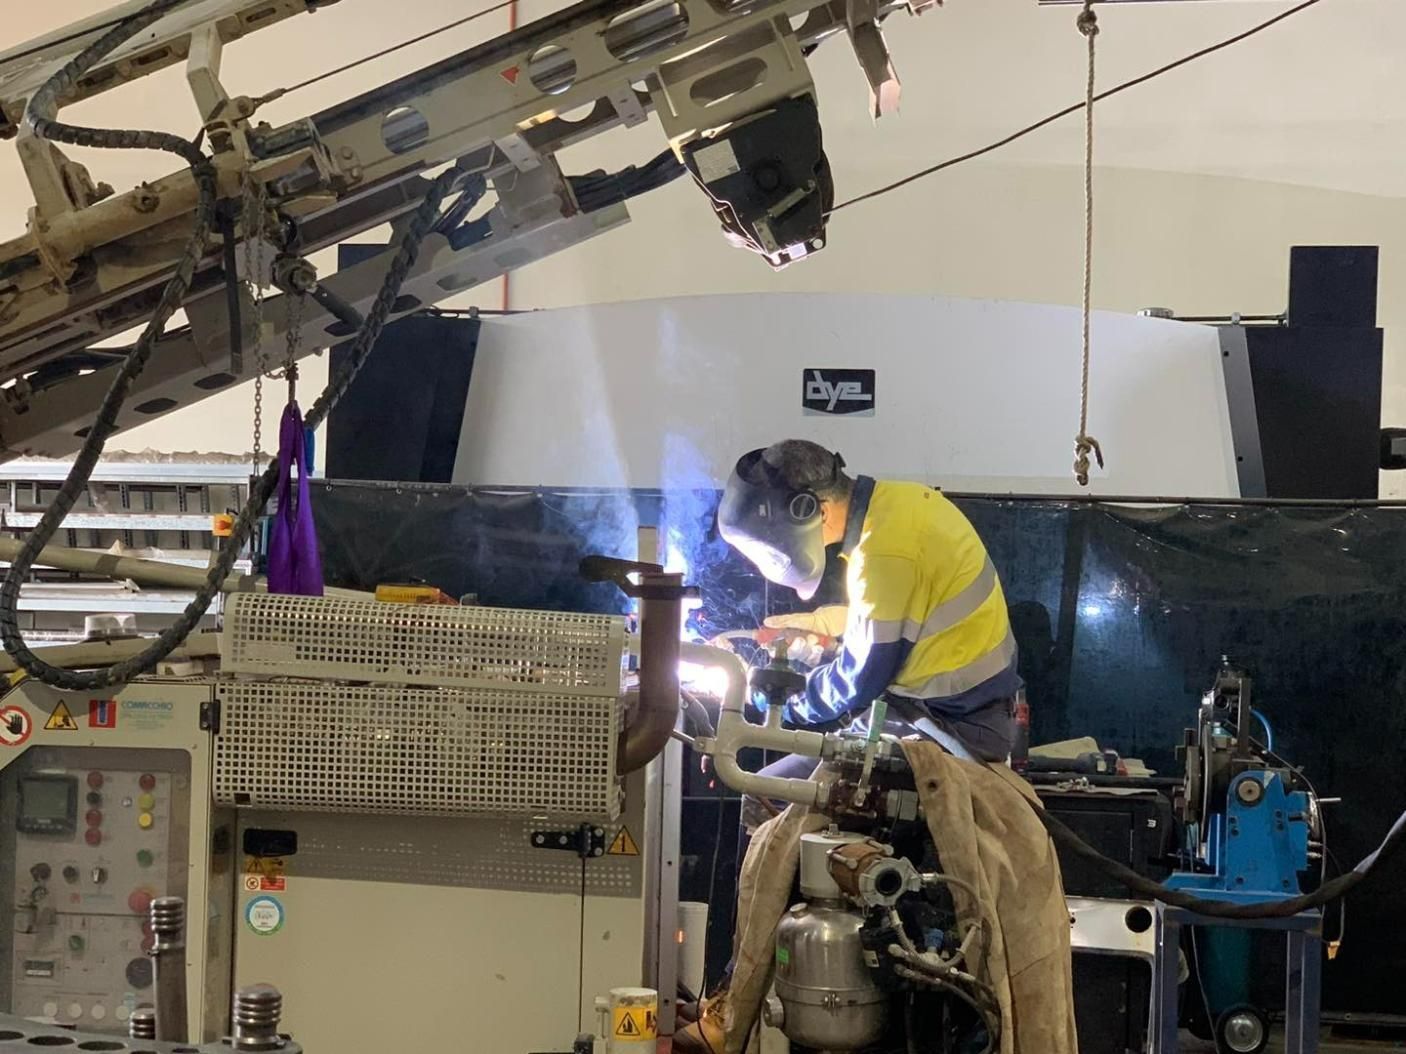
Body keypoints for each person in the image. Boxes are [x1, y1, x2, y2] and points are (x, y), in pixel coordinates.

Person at [716, 439, 1022, 818]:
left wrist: (783, 701)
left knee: (764, 795)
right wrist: (821, 631)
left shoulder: (883, 554)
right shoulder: (898, 506)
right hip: (949, 713)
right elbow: (907, 616)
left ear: (814, 511)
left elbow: (857, 681)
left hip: (948, 730)